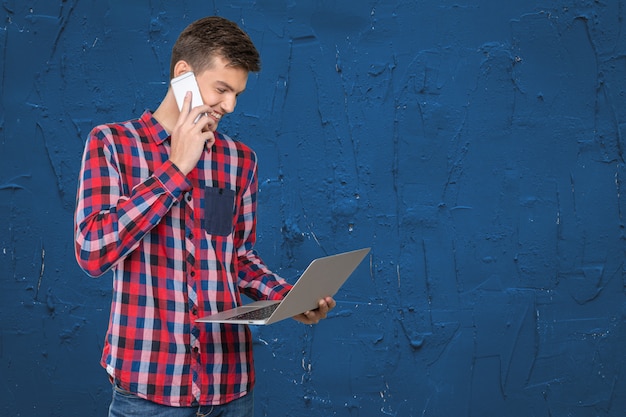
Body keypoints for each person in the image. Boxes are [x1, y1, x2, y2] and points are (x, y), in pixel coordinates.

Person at [73, 16, 335, 417]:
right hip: (147, 391)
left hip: (229, 389)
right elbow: (92, 251)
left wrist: (289, 299)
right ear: (183, 75)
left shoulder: (239, 160)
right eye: (222, 89)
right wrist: (175, 170)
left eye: (237, 94)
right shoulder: (111, 144)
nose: (229, 106)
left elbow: (239, 258)